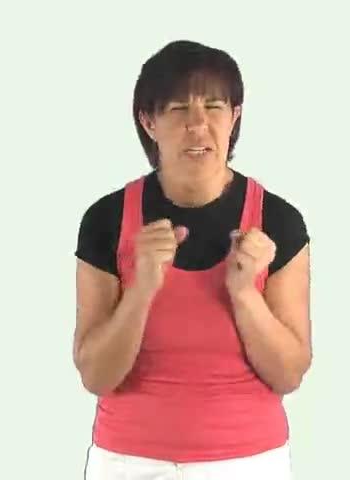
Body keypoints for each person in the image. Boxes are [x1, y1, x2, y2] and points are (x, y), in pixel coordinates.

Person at [73, 39, 312, 480]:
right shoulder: (106, 219)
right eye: (179, 108)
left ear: (235, 117)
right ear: (149, 121)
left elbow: (289, 375)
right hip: (128, 463)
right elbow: (95, 376)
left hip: (249, 463)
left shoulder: (278, 221)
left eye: (214, 107)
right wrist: (141, 289)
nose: (198, 124)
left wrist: (245, 294)